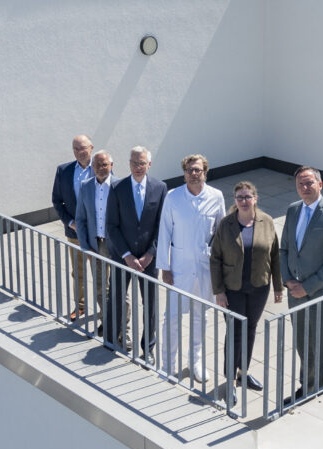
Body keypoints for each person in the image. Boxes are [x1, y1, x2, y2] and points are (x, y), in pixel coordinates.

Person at [279, 166, 323, 404]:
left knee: (319, 344)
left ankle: (317, 386)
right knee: (302, 342)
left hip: (321, 294)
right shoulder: (293, 210)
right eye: (300, 184)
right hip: (295, 293)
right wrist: (288, 281)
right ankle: (307, 384)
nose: (305, 188)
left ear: (320, 184)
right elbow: (284, 248)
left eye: (309, 183)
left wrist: (307, 287)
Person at [211, 181, 283, 397]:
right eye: (239, 197)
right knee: (234, 332)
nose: (244, 201)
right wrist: (219, 291)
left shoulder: (266, 222)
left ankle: (243, 372)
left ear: (255, 198)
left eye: (247, 197)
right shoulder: (226, 224)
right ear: (235, 201)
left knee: (250, 329)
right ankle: (230, 380)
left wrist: (278, 286)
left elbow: (275, 255)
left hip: (259, 287)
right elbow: (215, 260)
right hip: (232, 289)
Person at [158, 154, 225, 382]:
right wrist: (164, 267)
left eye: (197, 170)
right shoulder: (173, 197)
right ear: (184, 173)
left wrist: (219, 268)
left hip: (205, 269)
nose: (193, 174)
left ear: (205, 172)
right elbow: (164, 231)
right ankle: (168, 364)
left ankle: (196, 362)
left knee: (199, 316)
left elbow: (220, 233)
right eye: (189, 170)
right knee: (173, 317)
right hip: (179, 268)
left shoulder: (216, 196)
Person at [105, 146, 167, 363]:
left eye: (142, 163)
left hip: (149, 259)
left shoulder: (160, 188)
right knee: (116, 298)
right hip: (124, 258)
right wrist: (127, 255)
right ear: (128, 163)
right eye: (134, 163)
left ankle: (148, 348)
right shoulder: (117, 187)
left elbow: (162, 225)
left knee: (149, 304)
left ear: (149, 164)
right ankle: (111, 339)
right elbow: (111, 226)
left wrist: (151, 254)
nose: (138, 167)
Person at [75, 150, 127, 339]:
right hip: (95, 245)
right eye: (97, 165)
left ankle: (123, 329)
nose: (100, 168)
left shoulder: (121, 186)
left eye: (104, 164)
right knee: (99, 288)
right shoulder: (85, 186)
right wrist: (84, 246)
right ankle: (107, 322)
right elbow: (80, 219)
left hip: (116, 245)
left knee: (120, 289)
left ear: (112, 166)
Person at [51, 135, 94, 321]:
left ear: (91, 148)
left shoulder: (101, 168)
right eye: (75, 149)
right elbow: (57, 200)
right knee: (78, 272)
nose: (79, 152)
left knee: (102, 273)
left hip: (98, 234)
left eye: (82, 148)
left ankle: (107, 308)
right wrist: (70, 223)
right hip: (75, 232)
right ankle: (81, 306)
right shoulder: (64, 171)